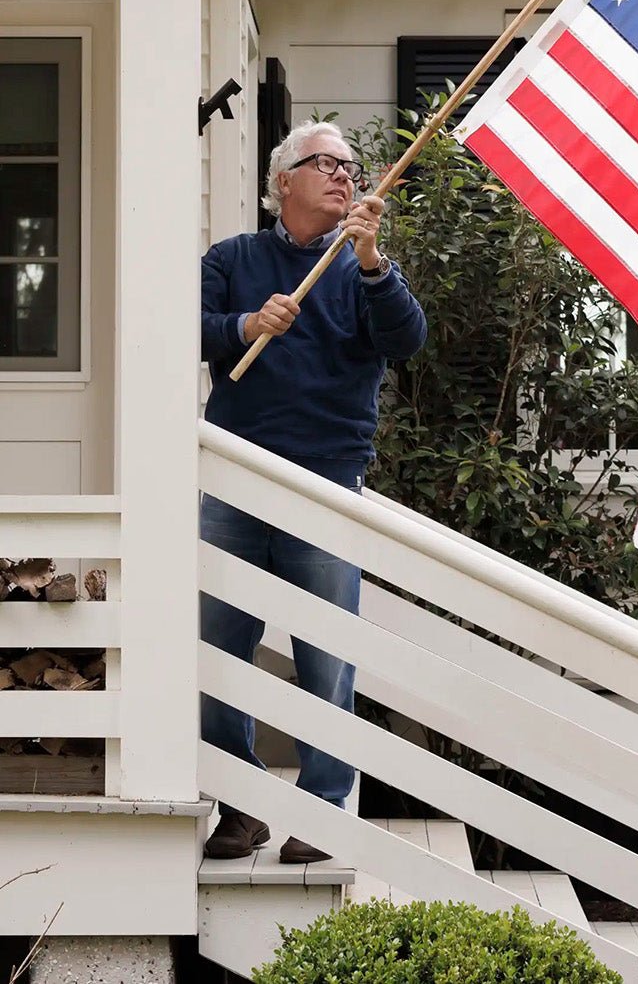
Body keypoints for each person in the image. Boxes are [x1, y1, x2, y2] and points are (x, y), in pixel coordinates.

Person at [199, 122, 427, 862]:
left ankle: (322, 815)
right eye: (325, 164)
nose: (344, 176)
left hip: (327, 485)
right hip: (234, 481)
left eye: (351, 168)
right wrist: (243, 323)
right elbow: (185, 328)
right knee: (217, 652)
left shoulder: (362, 269)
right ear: (283, 182)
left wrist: (370, 261)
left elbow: (406, 340)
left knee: (326, 659)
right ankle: (240, 810)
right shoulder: (234, 259)